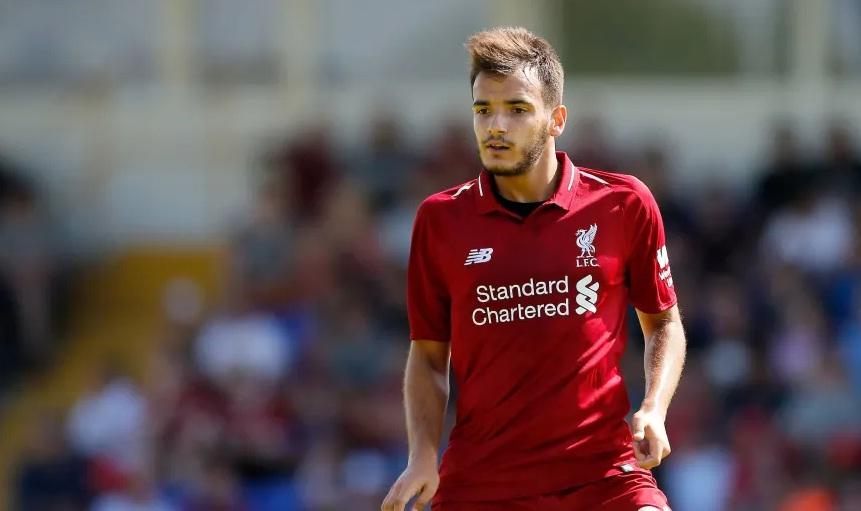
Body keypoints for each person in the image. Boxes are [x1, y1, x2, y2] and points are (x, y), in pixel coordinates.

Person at [382, 27, 686, 511]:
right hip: (483, 482)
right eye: (483, 110)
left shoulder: (624, 203)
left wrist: (654, 407)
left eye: (517, 109)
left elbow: (664, 323)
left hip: (605, 475)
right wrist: (421, 455)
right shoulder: (440, 220)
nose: (496, 126)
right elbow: (429, 356)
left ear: (556, 119)